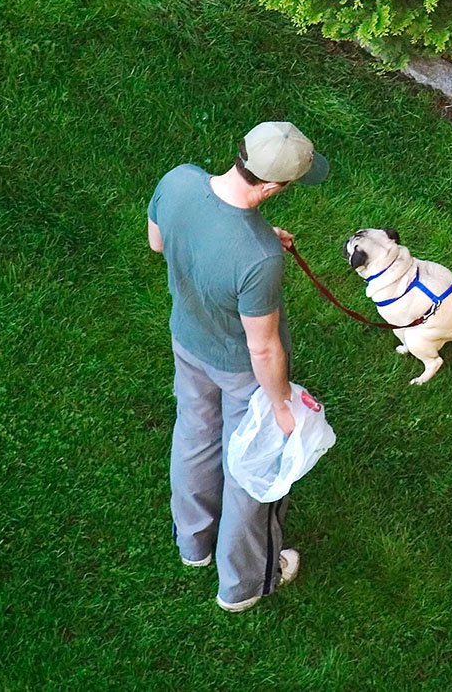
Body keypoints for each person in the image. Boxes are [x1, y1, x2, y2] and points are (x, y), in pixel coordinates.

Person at [147, 121, 329, 612]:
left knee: (193, 435)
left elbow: (159, 243)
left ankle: (193, 545)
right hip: (239, 371)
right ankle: (243, 584)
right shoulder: (259, 258)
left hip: (187, 340)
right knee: (252, 466)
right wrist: (282, 404)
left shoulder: (179, 180)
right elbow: (264, 350)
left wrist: (250, 233)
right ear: (272, 187)